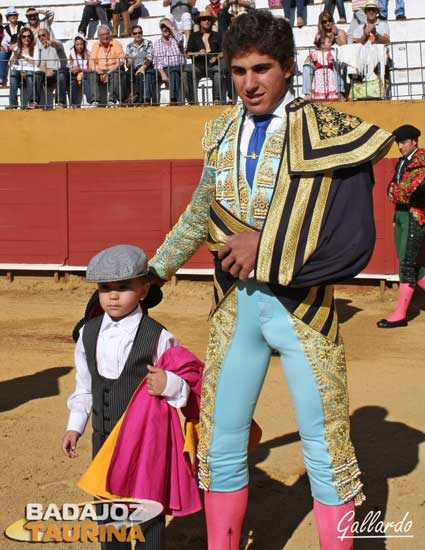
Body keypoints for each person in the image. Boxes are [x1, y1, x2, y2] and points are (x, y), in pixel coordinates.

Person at [149, 9, 393, 549]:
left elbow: (342, 220)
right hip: (236, 307)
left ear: (287, 68)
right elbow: (198, 213)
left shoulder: (326, 130)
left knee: (327, 450)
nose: (250, 83)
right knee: (221, 444)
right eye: (238, 71)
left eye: (262, 69)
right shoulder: (219, 132)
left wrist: (266, 244)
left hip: (303, 309)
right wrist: (155, 270)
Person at [63, 244, 202, 550]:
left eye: (123, 287)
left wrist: (169, 384)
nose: (112, 296)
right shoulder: (87, 333)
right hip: (104, 439)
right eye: (104, 288)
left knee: (147, 510)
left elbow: (189, 385)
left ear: (143, 289)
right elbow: (85, 385)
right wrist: (76, 425)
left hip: (146, 442)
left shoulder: (160, 336)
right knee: (109, 511)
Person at [377, 125, 425, 328]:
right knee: (417, 266)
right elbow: (392, 187)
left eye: (403, 142)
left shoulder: (421, 161)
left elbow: (408, 192)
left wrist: (395, 191)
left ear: (414, 141)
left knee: (406, 264)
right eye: (398, 142)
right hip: (402, 216)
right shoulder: (402, 162)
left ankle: (400, 314)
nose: (399, 146)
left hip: (416, 217)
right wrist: (396, 190)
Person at [303, 11, 346, 100]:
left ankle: (339, 91)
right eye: (324, 21)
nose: (328, 23)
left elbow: (344, 48)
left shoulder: (340, 32)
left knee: (335, 64)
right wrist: (310, 57)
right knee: (307, 65)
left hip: (336, 60)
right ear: (321, 23)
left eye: (330, 20)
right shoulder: (319, 35)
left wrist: (336, 35)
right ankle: (307, 93)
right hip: (322, 60)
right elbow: (317, 49)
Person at [185, 11, 225, 104]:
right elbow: (187, 54)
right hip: (198, 65)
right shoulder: (194, 36)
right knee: (187, 72)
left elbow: (223, 51)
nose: (206, 21)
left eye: (208, 19)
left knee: (217, 71)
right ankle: (193, 101)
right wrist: (198, 53)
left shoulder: (217, 35)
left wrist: (216, 57)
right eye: (204, 19)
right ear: (200, 22)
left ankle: (216, 100)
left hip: (212, 65)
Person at [88, 24, 125, 106]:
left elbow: (121, 60)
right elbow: (91, 62)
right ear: (99, 36)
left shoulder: (116, 43)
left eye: (107, 34)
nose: (105, 36)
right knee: (92, 74)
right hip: (100, 70)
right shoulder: (95, 45)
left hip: (113, 69)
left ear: (110, 34)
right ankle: (95, 101)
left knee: (116, 73)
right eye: (103, 35)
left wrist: (108, 73)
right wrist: (100, 72)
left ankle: (112, 100)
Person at [152, 18, 185, 104]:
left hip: (178, 67)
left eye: (166, 26)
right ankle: (149, 101)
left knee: (174, 71)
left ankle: (173, 100)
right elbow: (157, 61)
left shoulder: (176, 39)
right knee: (149, 74)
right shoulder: (157, 43)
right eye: (162, 26)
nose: (165, 29)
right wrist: (163, 74)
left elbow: (181, 40)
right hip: (164, 69)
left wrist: (170, 26)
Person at [8, 27, 40, 108]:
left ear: (31, 37)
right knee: (13, 74)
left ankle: (31, 103)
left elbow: (36, 63)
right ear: (20, 38)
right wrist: (15, 55)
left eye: (29, 36)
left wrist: (23, 57)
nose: (27, 38)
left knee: (29, 75)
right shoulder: (17, 48)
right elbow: (10, 64)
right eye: (24, 36)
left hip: (31, 71)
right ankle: (13, 103)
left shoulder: (35, 48)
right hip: (19, 72)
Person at [125, 24, 156, 105]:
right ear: (132, 35)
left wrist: (142, 68)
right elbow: (127, 64)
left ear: (142, 33)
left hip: (146, 66)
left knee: (140, 74)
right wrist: (129, 62)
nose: (138, 35)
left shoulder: (148, 43)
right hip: (133, 68)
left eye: (139, 33)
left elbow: (149, 58)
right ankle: (127, 98)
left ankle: (139, 99)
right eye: (135, 33)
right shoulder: (129, 46)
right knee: (125, 75)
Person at [37, 28, 68, 108]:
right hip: (49, 73)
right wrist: (47, 71)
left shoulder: (57, 43)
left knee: (60, 74)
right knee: (36, 75)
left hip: (60, 71)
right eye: (39, 36)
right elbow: (42, 65)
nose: (41, 38)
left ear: (48, 35)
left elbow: (57, 45)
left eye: (43, 35)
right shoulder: (42, 48)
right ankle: (35, 102)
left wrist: (51, 43)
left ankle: (60, 103)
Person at [0, 7, 26, 87]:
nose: (13, 16)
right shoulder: (6, 29)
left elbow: (26, 38)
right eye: (10, 15)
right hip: (11, 48)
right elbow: (4, 41)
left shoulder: (23, 25)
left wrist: (16, 45)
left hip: (23, 47)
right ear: (7, 17)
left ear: (17, 16)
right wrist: (4, 46)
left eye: (14, 14)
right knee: (2, 54)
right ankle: (2, 78)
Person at [308, 34, 338, 100]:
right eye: (328, 42)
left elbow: (333, 60)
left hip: (329, 73)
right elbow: (309, 59)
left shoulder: (331, 52)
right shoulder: (316, 53)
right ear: (322, 45)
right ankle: (320, 97)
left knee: (329, 85)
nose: (331, 43)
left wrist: (332, 59)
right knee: (319, 86)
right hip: (319, 74)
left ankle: (329, 96)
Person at [69, 34, 91, 107]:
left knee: (85, 79)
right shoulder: (72, 55)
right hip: (75, 75)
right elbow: (71, 66)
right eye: (77, 44)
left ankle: (90, 100)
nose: (80, 46)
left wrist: (81, 69)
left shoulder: (88, 54)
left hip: (85, 74)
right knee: (72, 82)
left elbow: (90, 69)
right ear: (74, 45)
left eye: (81, 44)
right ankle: (73, 103)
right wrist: (73, 70)